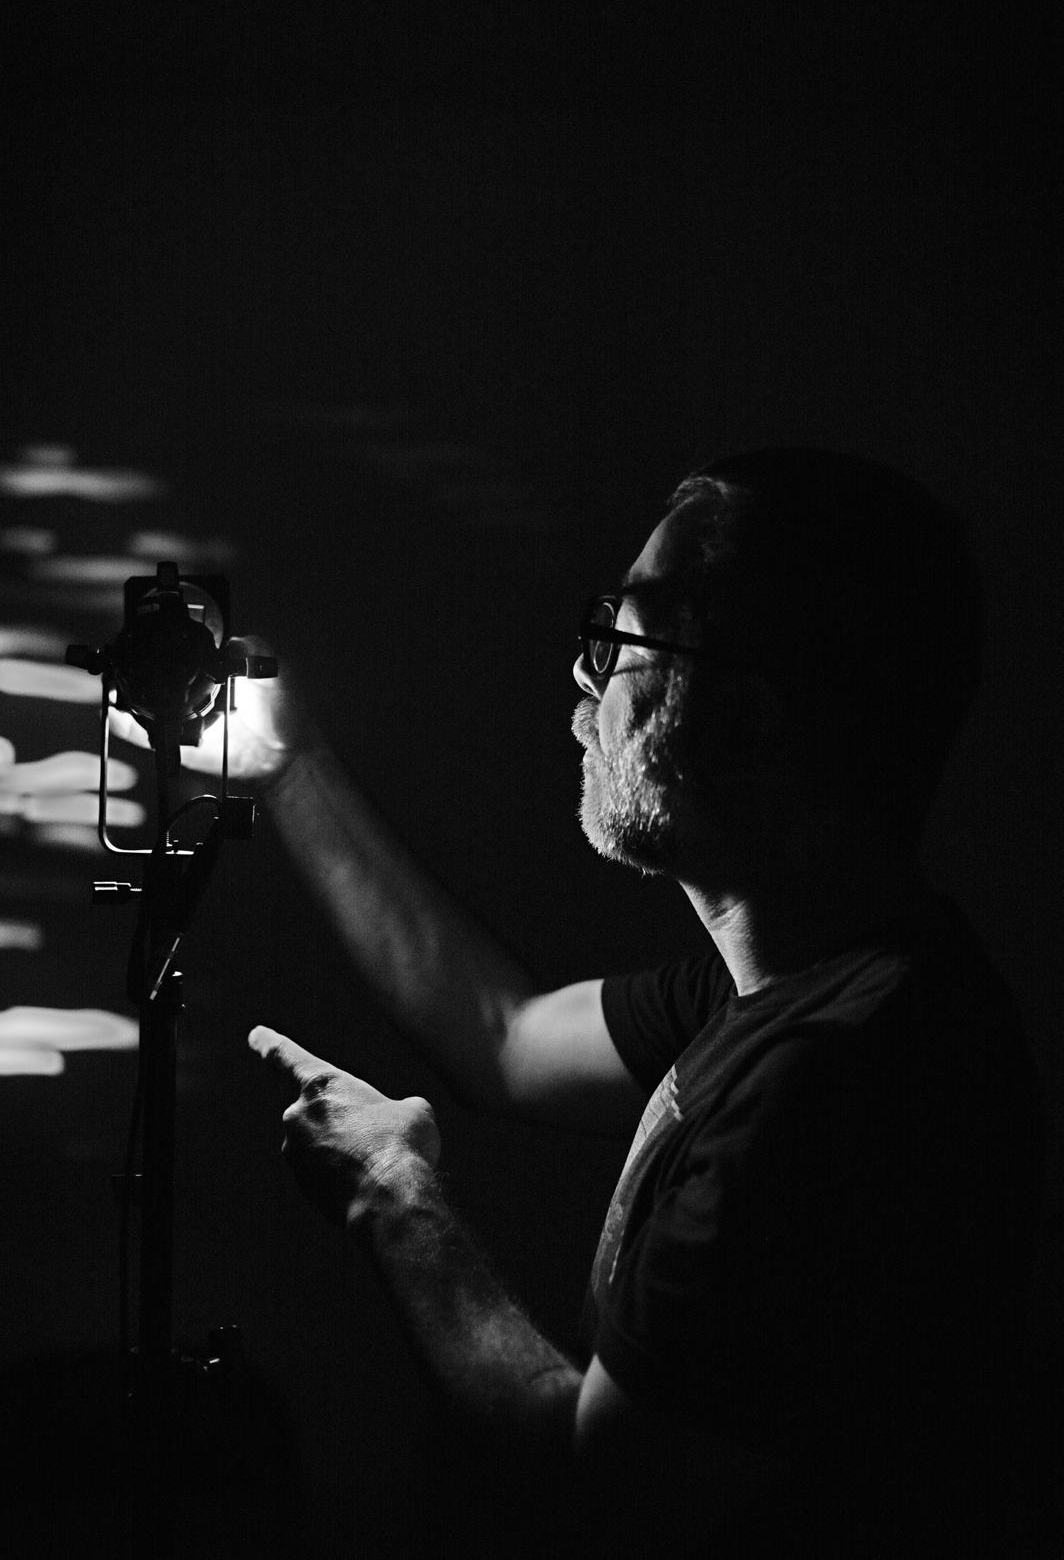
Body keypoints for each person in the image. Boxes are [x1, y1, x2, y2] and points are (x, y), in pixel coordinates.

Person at [182, 448, 1043, 1555]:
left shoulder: (835, 1085)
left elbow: (599, 1491)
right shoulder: (787, 992)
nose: (586, 680)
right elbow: (500, 1038)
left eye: (625, 641)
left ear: (746, 720)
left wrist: (392, 1195)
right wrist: (290, 768)